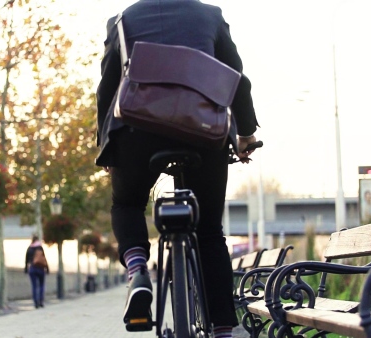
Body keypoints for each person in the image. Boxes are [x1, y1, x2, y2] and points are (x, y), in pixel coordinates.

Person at [95, 1, 260, 337]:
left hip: (135, 129)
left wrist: (107, 147)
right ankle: (223, 330)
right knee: (210, 231)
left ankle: (138, 270)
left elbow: (107, 87)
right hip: (202, 129)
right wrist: (245, 134)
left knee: (126, 204)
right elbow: (238, 81)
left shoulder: (122, 19)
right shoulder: (210, 16)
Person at [24, 235, 49, 308]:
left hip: (32, 268)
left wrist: (26, 269)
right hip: (40, 268)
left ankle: (36, 302)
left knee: (34, 286)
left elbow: (26, 260)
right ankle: (41, 301)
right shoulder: (40, 247)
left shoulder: (29, 248)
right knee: (41, 285)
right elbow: (44, 258)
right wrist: (47, 268)